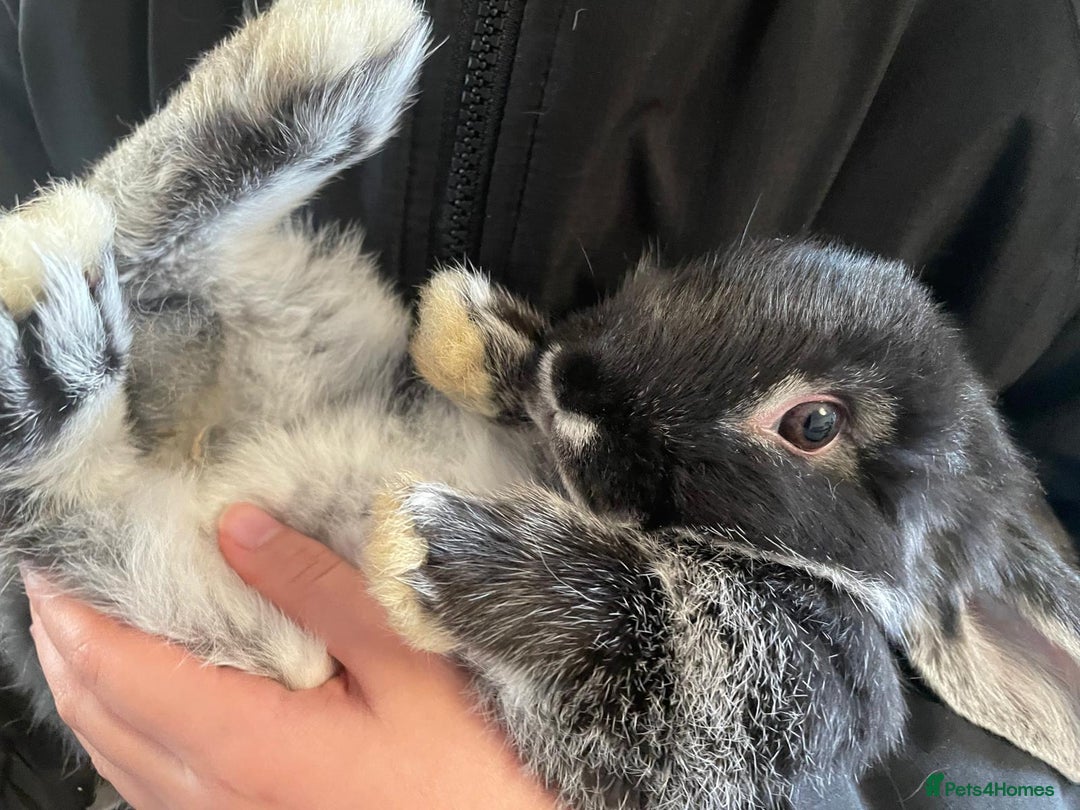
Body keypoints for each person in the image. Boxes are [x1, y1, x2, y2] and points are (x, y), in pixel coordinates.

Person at [3, 0, 1080, 807]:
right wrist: (528, 376)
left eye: (806, 426)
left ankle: (53, 443)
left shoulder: (824, 661)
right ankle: (182, 224)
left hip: (325, 664)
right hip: (349, 422)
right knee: (266, 310)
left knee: (155, 574)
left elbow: (715, 713)